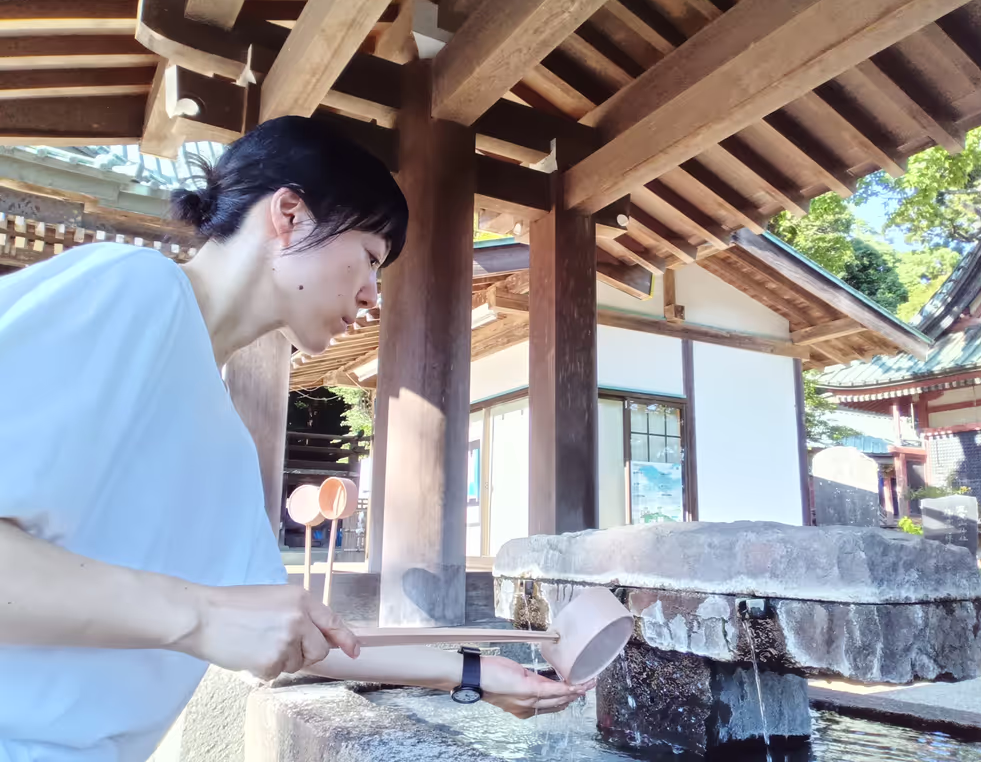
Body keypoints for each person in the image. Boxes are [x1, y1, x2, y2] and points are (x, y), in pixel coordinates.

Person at [0, 116, 591, 762]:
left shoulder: (224, 444)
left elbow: (308, 634)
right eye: (369, 258)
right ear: (288, 214)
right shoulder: (134, 292)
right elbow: (222, 617)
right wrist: (201, 615)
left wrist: (479, 673)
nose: (372, 295)